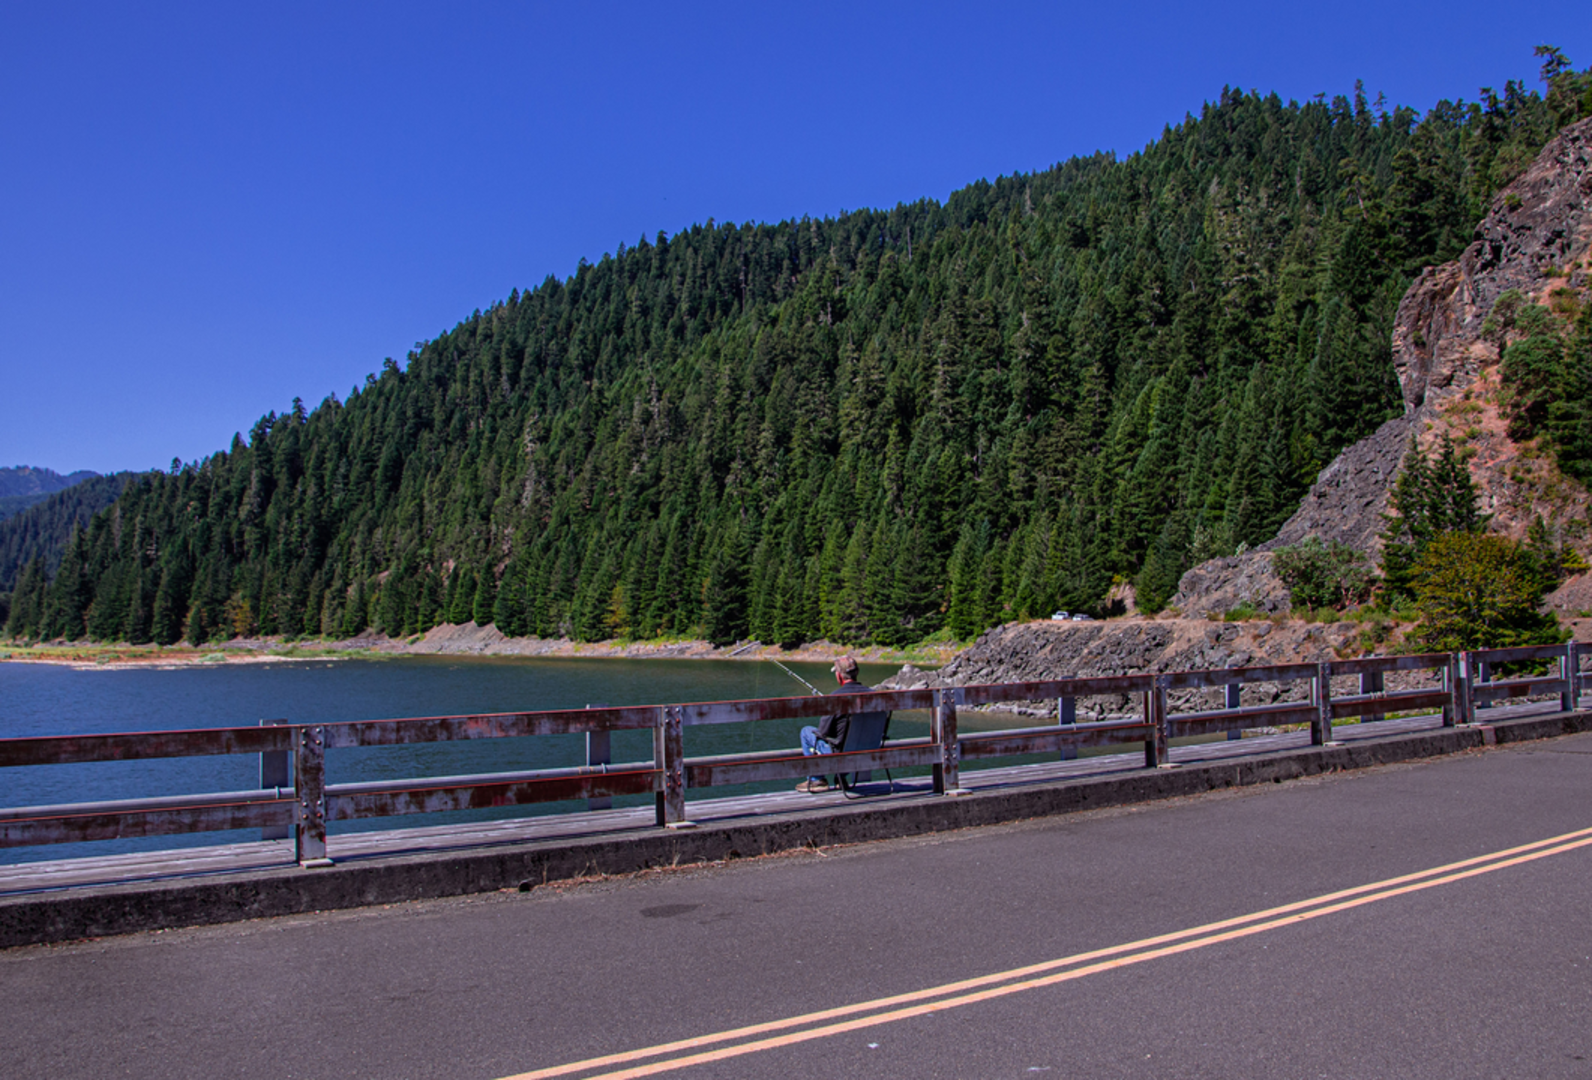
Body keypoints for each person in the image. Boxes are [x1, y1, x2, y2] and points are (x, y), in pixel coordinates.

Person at [796, 656, 870, 793]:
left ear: (839, 675)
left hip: (842, 755)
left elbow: (823, 732)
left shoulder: (835, 698)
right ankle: (841, 779)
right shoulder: (874, 695)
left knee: (807, 732)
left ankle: (817, 780)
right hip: (869, 750)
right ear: (857, 672)